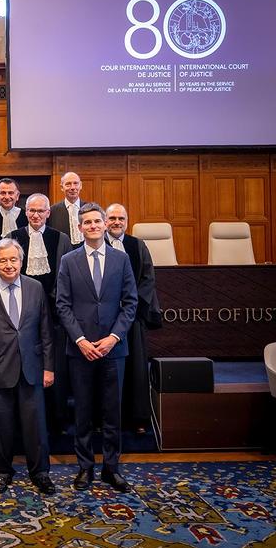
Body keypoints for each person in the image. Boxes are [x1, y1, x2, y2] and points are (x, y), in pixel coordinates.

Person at [56, 203, 137, 493]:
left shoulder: (121, 259)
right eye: (86, 222)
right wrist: (80, 340)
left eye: (96, 221)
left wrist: (114, 337)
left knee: (112, 412)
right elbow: (62, 305)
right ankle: (85, 467)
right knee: (83, 412)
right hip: (81, 350)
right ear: (79, 228)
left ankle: (111, 468)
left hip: (113, 349)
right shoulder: (68, 260)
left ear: (104, 225)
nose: (92, 226)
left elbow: (131, 303)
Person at [0, 238, 56, 495]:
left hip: (31, 368)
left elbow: (46, 330)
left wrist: (49, 367)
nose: (9, 265)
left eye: (13, 259)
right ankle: (2, 471)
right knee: (0, 427)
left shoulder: (35, 287)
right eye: (3, 261)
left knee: (36, 426)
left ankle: (40, 472)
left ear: (21, 261)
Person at [9, 194, 71, 432]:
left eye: (40, 211)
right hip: (21, 314)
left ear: (48, 213)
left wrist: (52, 301)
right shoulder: (13, 237)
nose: (36, 215)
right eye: (32, 211)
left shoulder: (61, 239)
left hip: (54, 313)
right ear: (25, 212)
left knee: (53, 366)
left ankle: (56, 421)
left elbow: (65, 277)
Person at [105, 203, 162, 434]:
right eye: (112, 218)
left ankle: (137, 418)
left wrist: (130, 307)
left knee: (135, 369)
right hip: (106, 320)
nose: (116, 222)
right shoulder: (98, 244)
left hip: (132, 318)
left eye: (121, 218)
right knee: (108, 371)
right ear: (105, 221)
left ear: (127, 222)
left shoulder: (137, 245)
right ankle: (107, 418)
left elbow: (148, 278)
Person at [48, 171, 84, 247]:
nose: (73, 187)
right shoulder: (52, 211)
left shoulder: (90, 209)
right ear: (62, 187)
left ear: (80, 185)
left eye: (75, 183)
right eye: (68, 184)